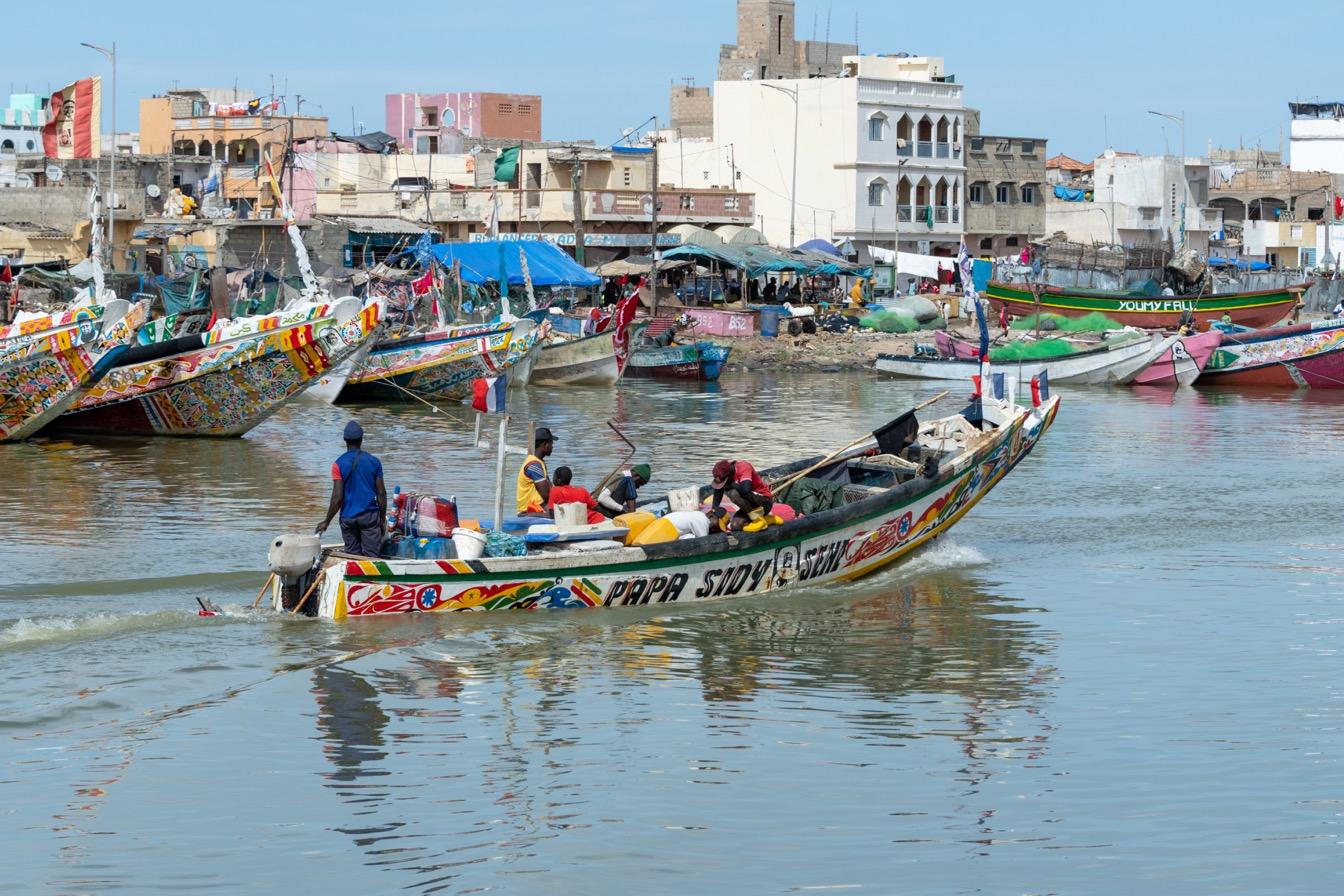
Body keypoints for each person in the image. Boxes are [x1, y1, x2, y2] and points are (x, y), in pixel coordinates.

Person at [317, 421, 387, 557]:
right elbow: (381, 493)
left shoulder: (338, 464)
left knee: (352, 556)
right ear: (361, 439)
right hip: (370, 517)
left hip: (348, 517)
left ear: (345, 440)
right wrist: (382, 518)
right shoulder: (374, 462)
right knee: (371, 557)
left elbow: (337, 497)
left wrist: (327, 521)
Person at [710, 459, 779, 533]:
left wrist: (731, 484)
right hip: (749, 505)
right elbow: (718, 490)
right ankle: (765, 519)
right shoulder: (725, 473)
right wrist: (714, 509)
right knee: (735, 526)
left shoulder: (743, 467)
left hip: (764, 501)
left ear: (729, 473)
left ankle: (757, 518)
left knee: (732, 493)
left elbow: (745, 490)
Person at [516, 427, 556, 515]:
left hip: (537, 509)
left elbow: (550, 489)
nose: (552, 446)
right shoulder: (534, 465)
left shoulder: (539, 462)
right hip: (529, 512)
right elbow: (547, 495)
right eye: (551, 444)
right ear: (545, 444)